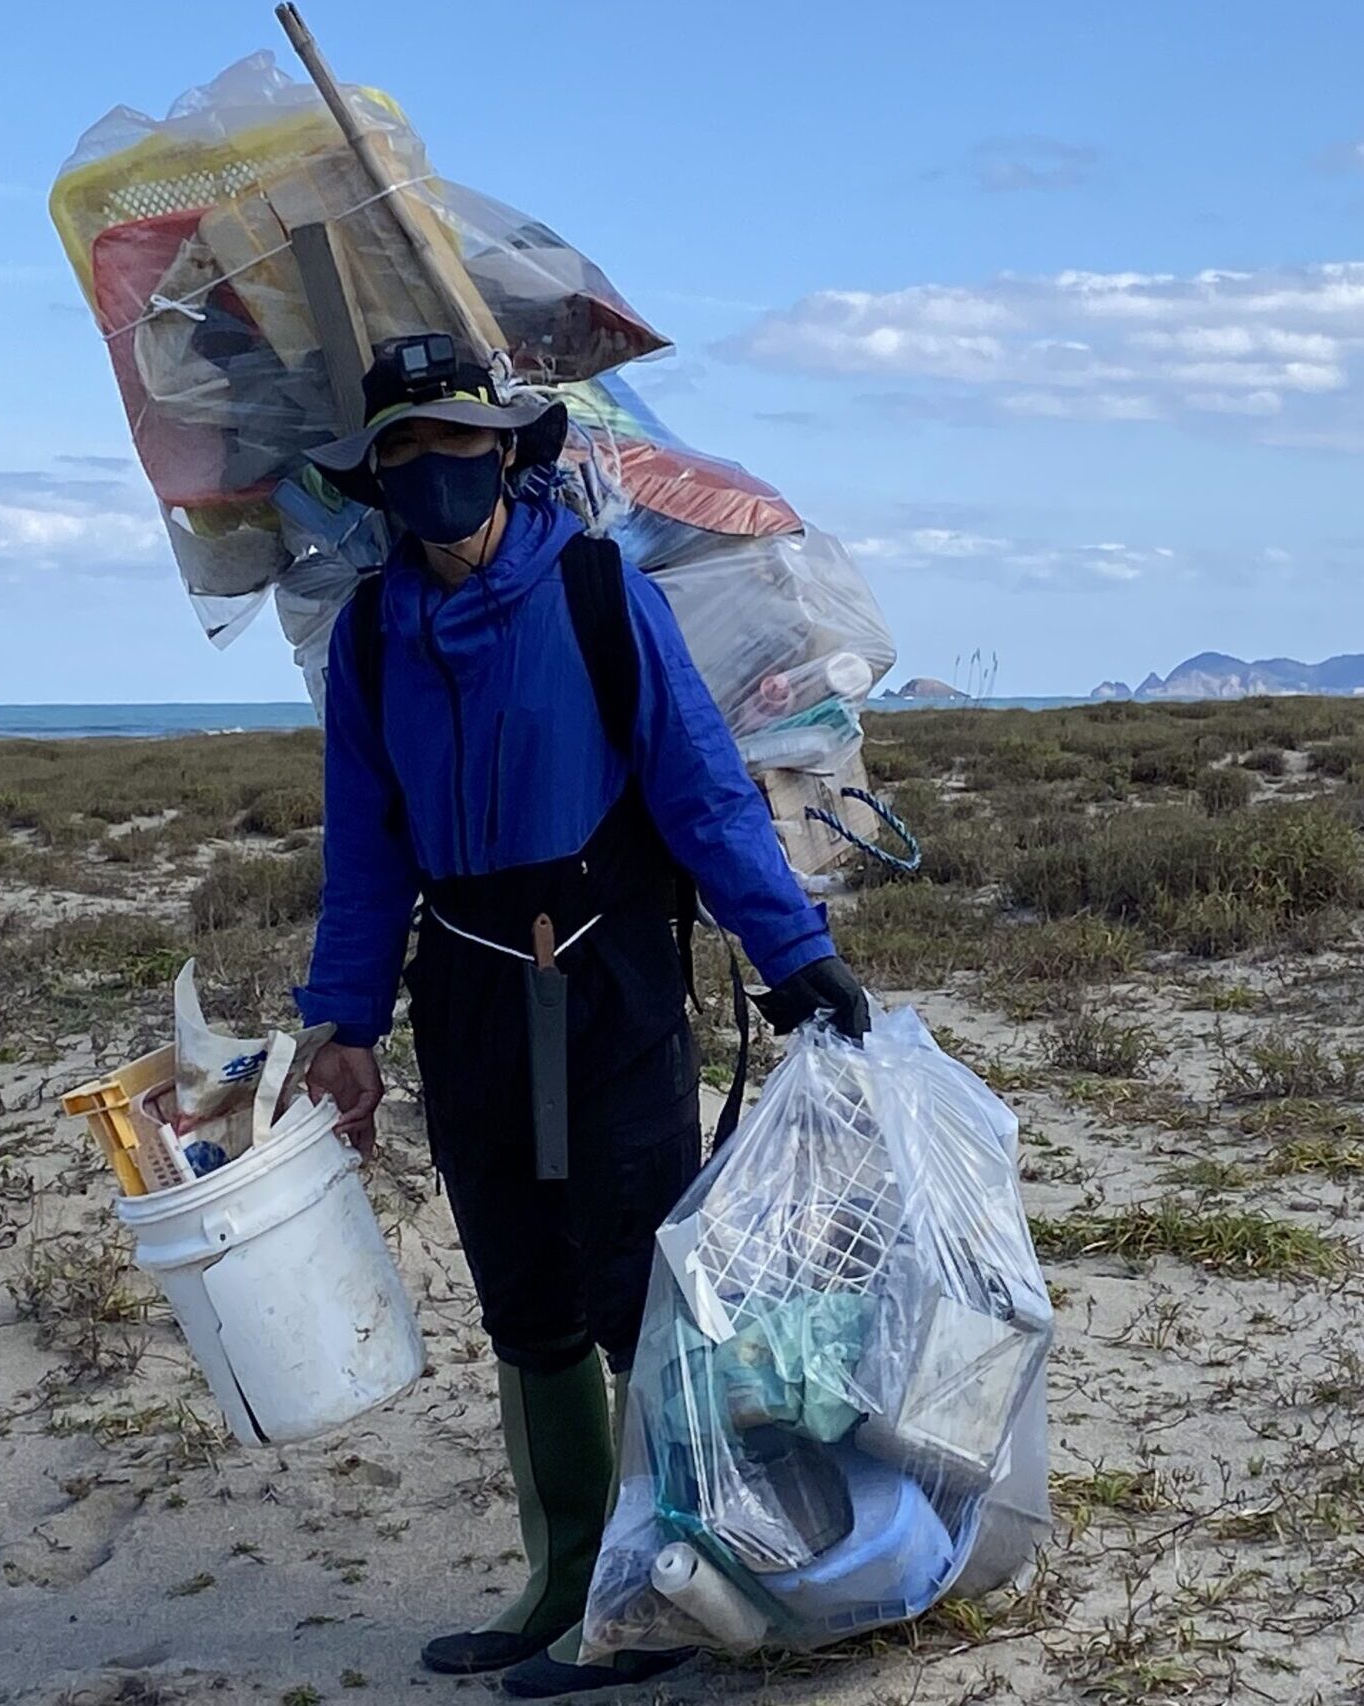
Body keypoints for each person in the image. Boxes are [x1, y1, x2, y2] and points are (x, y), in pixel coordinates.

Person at [291, 336, 870, 1699]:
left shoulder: (602, 594)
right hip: (471, 990)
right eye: (403, 455)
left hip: (610, 982)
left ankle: (653, 1594)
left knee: (635, 1286)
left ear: (507, 452)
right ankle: (561, 1578)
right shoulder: (375, 636)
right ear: (375, 481)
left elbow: (704, 794)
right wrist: (344, 1023)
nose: (434, 474)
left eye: (455, 444)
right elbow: (367, 852)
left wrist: (797, 957)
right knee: (526, 1298)